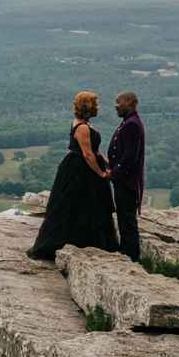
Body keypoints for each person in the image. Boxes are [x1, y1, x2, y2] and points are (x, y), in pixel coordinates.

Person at [26, 91, 118, 260]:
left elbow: (95, 151)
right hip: (79, 170)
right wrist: (101, 173)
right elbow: (88, 154)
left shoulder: (83, 124)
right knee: (75, 206)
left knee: (82, 206)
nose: (98, 107)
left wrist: (107, 164)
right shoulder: (82, 127)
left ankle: (85, 243)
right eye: (95, 104)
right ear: (88, 106)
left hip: (82, 168)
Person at [108, 91, 145, 262]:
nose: (115, 105)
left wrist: (113, 174)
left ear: (129, 102)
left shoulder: (132, 124)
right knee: (124, 219)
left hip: (126, 182)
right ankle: (126, 253)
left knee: (127, 221)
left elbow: (129, 156)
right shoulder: (129, 122)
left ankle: (130, 256)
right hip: (123, 180)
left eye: (118, 101)